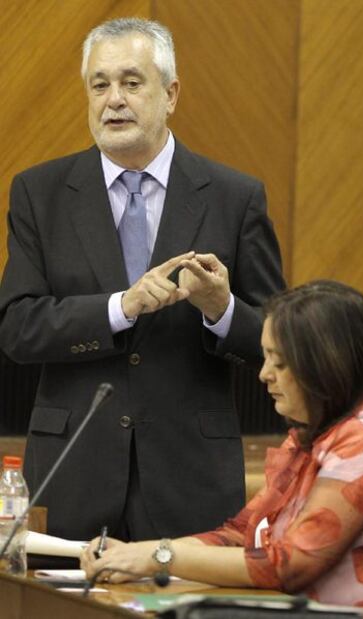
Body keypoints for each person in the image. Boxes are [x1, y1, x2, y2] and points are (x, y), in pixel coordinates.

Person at [0, 17, 284, 542]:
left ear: (171, 94)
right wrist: (120, 307)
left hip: (189, 481)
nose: (114, 100)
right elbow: (17, 328)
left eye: (132, 83)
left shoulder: (233, 197)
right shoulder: (40, 193)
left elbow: (280, 343)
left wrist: (221, 310)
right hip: (71, 477)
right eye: (100, 84)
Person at [81, 280, 363, 618]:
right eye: (266, 358)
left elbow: (289, 564)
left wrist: (157, 557)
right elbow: (241, 534)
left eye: (279, 362)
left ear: (327, 364)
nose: (264, 375)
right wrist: (136, 554)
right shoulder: (308, 436)